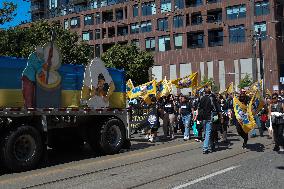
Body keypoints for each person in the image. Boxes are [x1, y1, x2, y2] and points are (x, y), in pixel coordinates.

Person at [197, 86, 222, 154]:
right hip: (210, 116)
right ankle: (205, 148)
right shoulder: (211, 98)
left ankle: (211, 145)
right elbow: (215, 108)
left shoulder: (202, 98)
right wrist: (220, 117)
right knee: (209, 132)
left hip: (203, 117)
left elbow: (199, 108)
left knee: (207, 132)